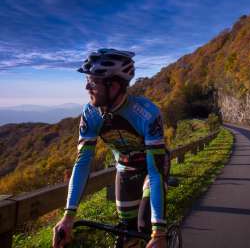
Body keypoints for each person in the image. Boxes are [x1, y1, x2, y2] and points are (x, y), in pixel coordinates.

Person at [52, 48, 169, 248]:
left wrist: (158, 231)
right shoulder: (90, 113)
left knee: (144, 224)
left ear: (114, 85)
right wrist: (68, 216)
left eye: (94, 81)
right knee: (126, 232)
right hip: (124, 169)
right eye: (87, 80)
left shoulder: (147, 114)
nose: (87, 87)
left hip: (152, 170)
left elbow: (155, 173)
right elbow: (82, 163)